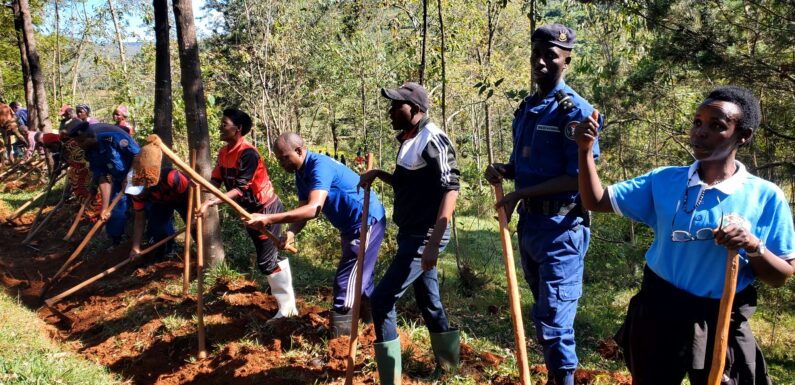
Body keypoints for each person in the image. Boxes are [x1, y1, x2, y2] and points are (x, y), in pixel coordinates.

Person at [575, 86, 795, 384]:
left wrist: (753, 245)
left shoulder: (765, 197)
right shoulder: (664, 180)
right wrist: (585, 150)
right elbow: (596, 201)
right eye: (698, 122)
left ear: (743, 135)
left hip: (722, 318)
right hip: (659, 310)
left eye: (717, 126)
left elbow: (781, 275)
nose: (701, 132)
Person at [483, 23, 601, 385]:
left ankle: (562, 379)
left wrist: (519, 195)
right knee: (543, 316)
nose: (540, 61)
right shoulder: (528, 108)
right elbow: (530, 166)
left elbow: (576, 178)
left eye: (550, 54)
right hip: (531, 229)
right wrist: (506, 170)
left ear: (566, 59)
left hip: (562, 232)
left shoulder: (576, 112)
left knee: (555, 321)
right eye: (536, 53)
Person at [359, 82, 460, 384]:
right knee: (429, 300)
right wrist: (379, 175)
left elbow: (451, 189)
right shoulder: (409, 139)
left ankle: (390, 379)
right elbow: (411, 186)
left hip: (425, 235)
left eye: (396, 106)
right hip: (411, 233)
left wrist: (432, 243)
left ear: (415, 110)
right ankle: (449, 368)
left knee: (382, 299)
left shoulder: (433, 138)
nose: (390, 111)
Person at [246, 132, 387, 337]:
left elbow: (314, 209)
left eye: (284, 157)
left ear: (299, 150)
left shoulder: (319, 166)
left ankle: (340, 342)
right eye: (278, 159)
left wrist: (269, 218)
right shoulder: (301, 173)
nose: (281, 163)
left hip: (366, 221)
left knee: (346, 282)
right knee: (361, 280)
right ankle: (372, 331)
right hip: (349, 227)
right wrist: (292, 232)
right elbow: (304, 210)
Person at [197, 108, 297, 320]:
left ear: (238, 129)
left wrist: (211, 202)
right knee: (269, 255)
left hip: (266, 210)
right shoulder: (224, 153)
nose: (220, 127)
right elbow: (215, 182)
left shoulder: (248, 154)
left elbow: (240, 189)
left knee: (265, 261)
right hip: (248, 212)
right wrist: (197, 184)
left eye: (224, 124)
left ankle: (288, 309)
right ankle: (279, 292)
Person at [69, 122, 139, 245]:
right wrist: (105, 208)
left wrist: (130, 176)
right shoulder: (90, 152)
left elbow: (138, 155)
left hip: (138, 175)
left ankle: (155, 241)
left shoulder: (112, 138)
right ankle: (116, 242)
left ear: (89, 137)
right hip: (119, 180)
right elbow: (101, 177)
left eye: (81, 142)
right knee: (115, 211)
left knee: (145, 208)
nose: (79, 146)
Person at [126, 147, 191, 263]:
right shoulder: (136, 193)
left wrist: (194, 217)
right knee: (157, 229)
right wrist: (135, 247)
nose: (140, 194)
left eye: (142, 190)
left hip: (184, 200)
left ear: (149, 183)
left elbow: (193, 195)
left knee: (196, 228)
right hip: (161, 203)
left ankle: (205, 261)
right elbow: (140, 219)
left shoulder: (173, 177)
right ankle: (164, 255)